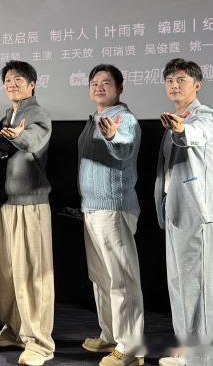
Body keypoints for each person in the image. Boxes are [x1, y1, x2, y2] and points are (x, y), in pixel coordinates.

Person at [154, 58, 213, 366]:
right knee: (179, 285)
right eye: (169, 80)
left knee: (200, 289)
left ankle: (201, 359)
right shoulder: (173, 118)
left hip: (198, 210)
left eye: (181, 80)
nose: (174, 85)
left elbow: (196, 134)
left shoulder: (204, 115)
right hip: (175, 209)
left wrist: (181, 129)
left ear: (197, 85)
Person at [0, 60, 55, 366]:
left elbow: (33, 141)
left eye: (18, 80)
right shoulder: (8, 115)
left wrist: (17, 135)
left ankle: (40, 343)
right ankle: (15, 329)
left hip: (31, 203)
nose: (12, 84)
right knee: (7, 272)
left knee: (33, 274)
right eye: (8, 80)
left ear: (32, 85)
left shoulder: (37, 114)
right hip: (7, 202)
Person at [77, 64, 144, 366]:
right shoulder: (94, 118)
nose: (99, 87)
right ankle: (111, 335)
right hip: (92, 207)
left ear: (119, 88)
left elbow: (124, 149)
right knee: (101, 278)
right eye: (94, 82)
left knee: (122, 280)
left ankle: (131, 348)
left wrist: (113, 135)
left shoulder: (124, 119)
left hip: (113, 208)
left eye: (106, 82)